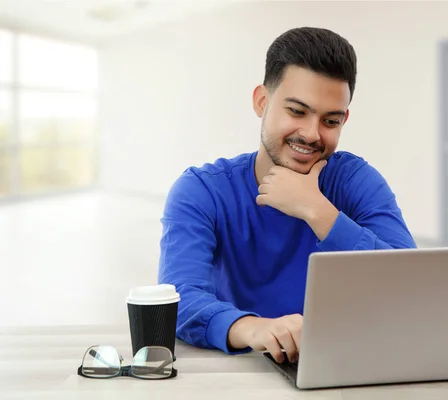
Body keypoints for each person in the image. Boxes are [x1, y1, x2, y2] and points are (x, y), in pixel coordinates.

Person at [158, 26, 416, 364]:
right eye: (297, 111)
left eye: (331, 120)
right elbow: (178, 299)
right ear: (262, 101)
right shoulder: (201, 190)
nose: (311, 134)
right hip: (242, 367)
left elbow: (410, 285)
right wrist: (255, 329)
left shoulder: (355, 181)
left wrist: (315, 209)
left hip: (344, 363)